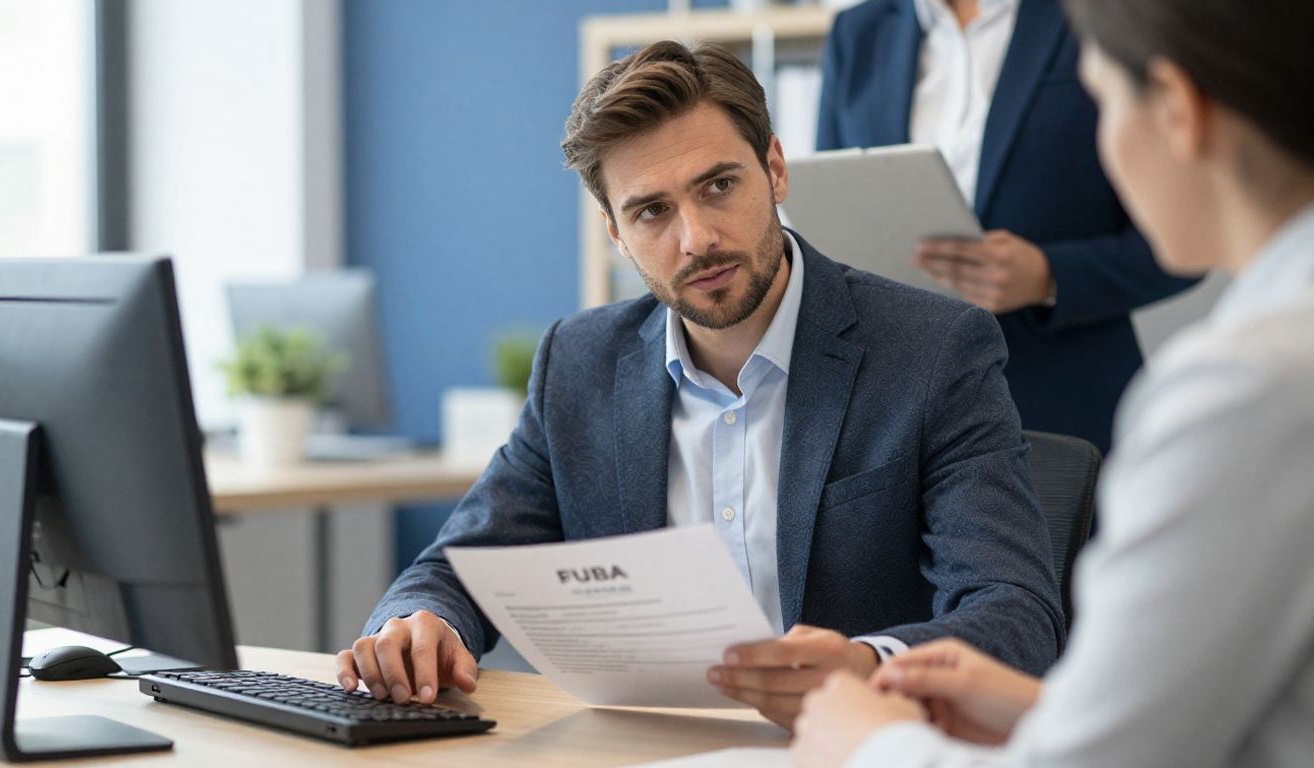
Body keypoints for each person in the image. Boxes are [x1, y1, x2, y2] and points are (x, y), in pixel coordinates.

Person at [336, 40, 1065, 731]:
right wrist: (417, 621)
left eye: (719, 186)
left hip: (859, 745)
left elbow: (1014, 611)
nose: (697, 238)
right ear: (616, 235)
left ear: (775, 169)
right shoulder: (579, 364)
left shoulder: (933, 350)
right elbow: (463, 563)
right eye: (652, 211)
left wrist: (867, 663)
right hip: (648, 749)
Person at [793, 0, 1314, 763]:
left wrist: (872, 743)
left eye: (1103, 101)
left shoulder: (1242, 390)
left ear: (1177, 109)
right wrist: (1049, 706)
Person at [817, 0, 1198, 451]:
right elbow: (829, 225)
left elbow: (1186, 243)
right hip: (898, 421)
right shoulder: (857, 32)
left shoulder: (1097, 16)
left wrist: (1049, 276)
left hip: (1065, 414)